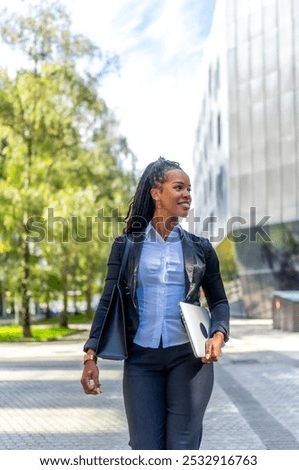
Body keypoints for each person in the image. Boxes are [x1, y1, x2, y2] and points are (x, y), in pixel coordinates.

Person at [81, 157, 230, 450]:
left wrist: (218, 333)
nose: (187, 194)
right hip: (140, 361)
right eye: (178, 187)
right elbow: (108, 300)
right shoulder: (126, 246)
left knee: (183, 448)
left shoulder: (200, 248)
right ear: (156, 193)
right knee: (144, 448)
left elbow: (220, 301)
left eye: (189, 189)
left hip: (189, 360)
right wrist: (90, 356)